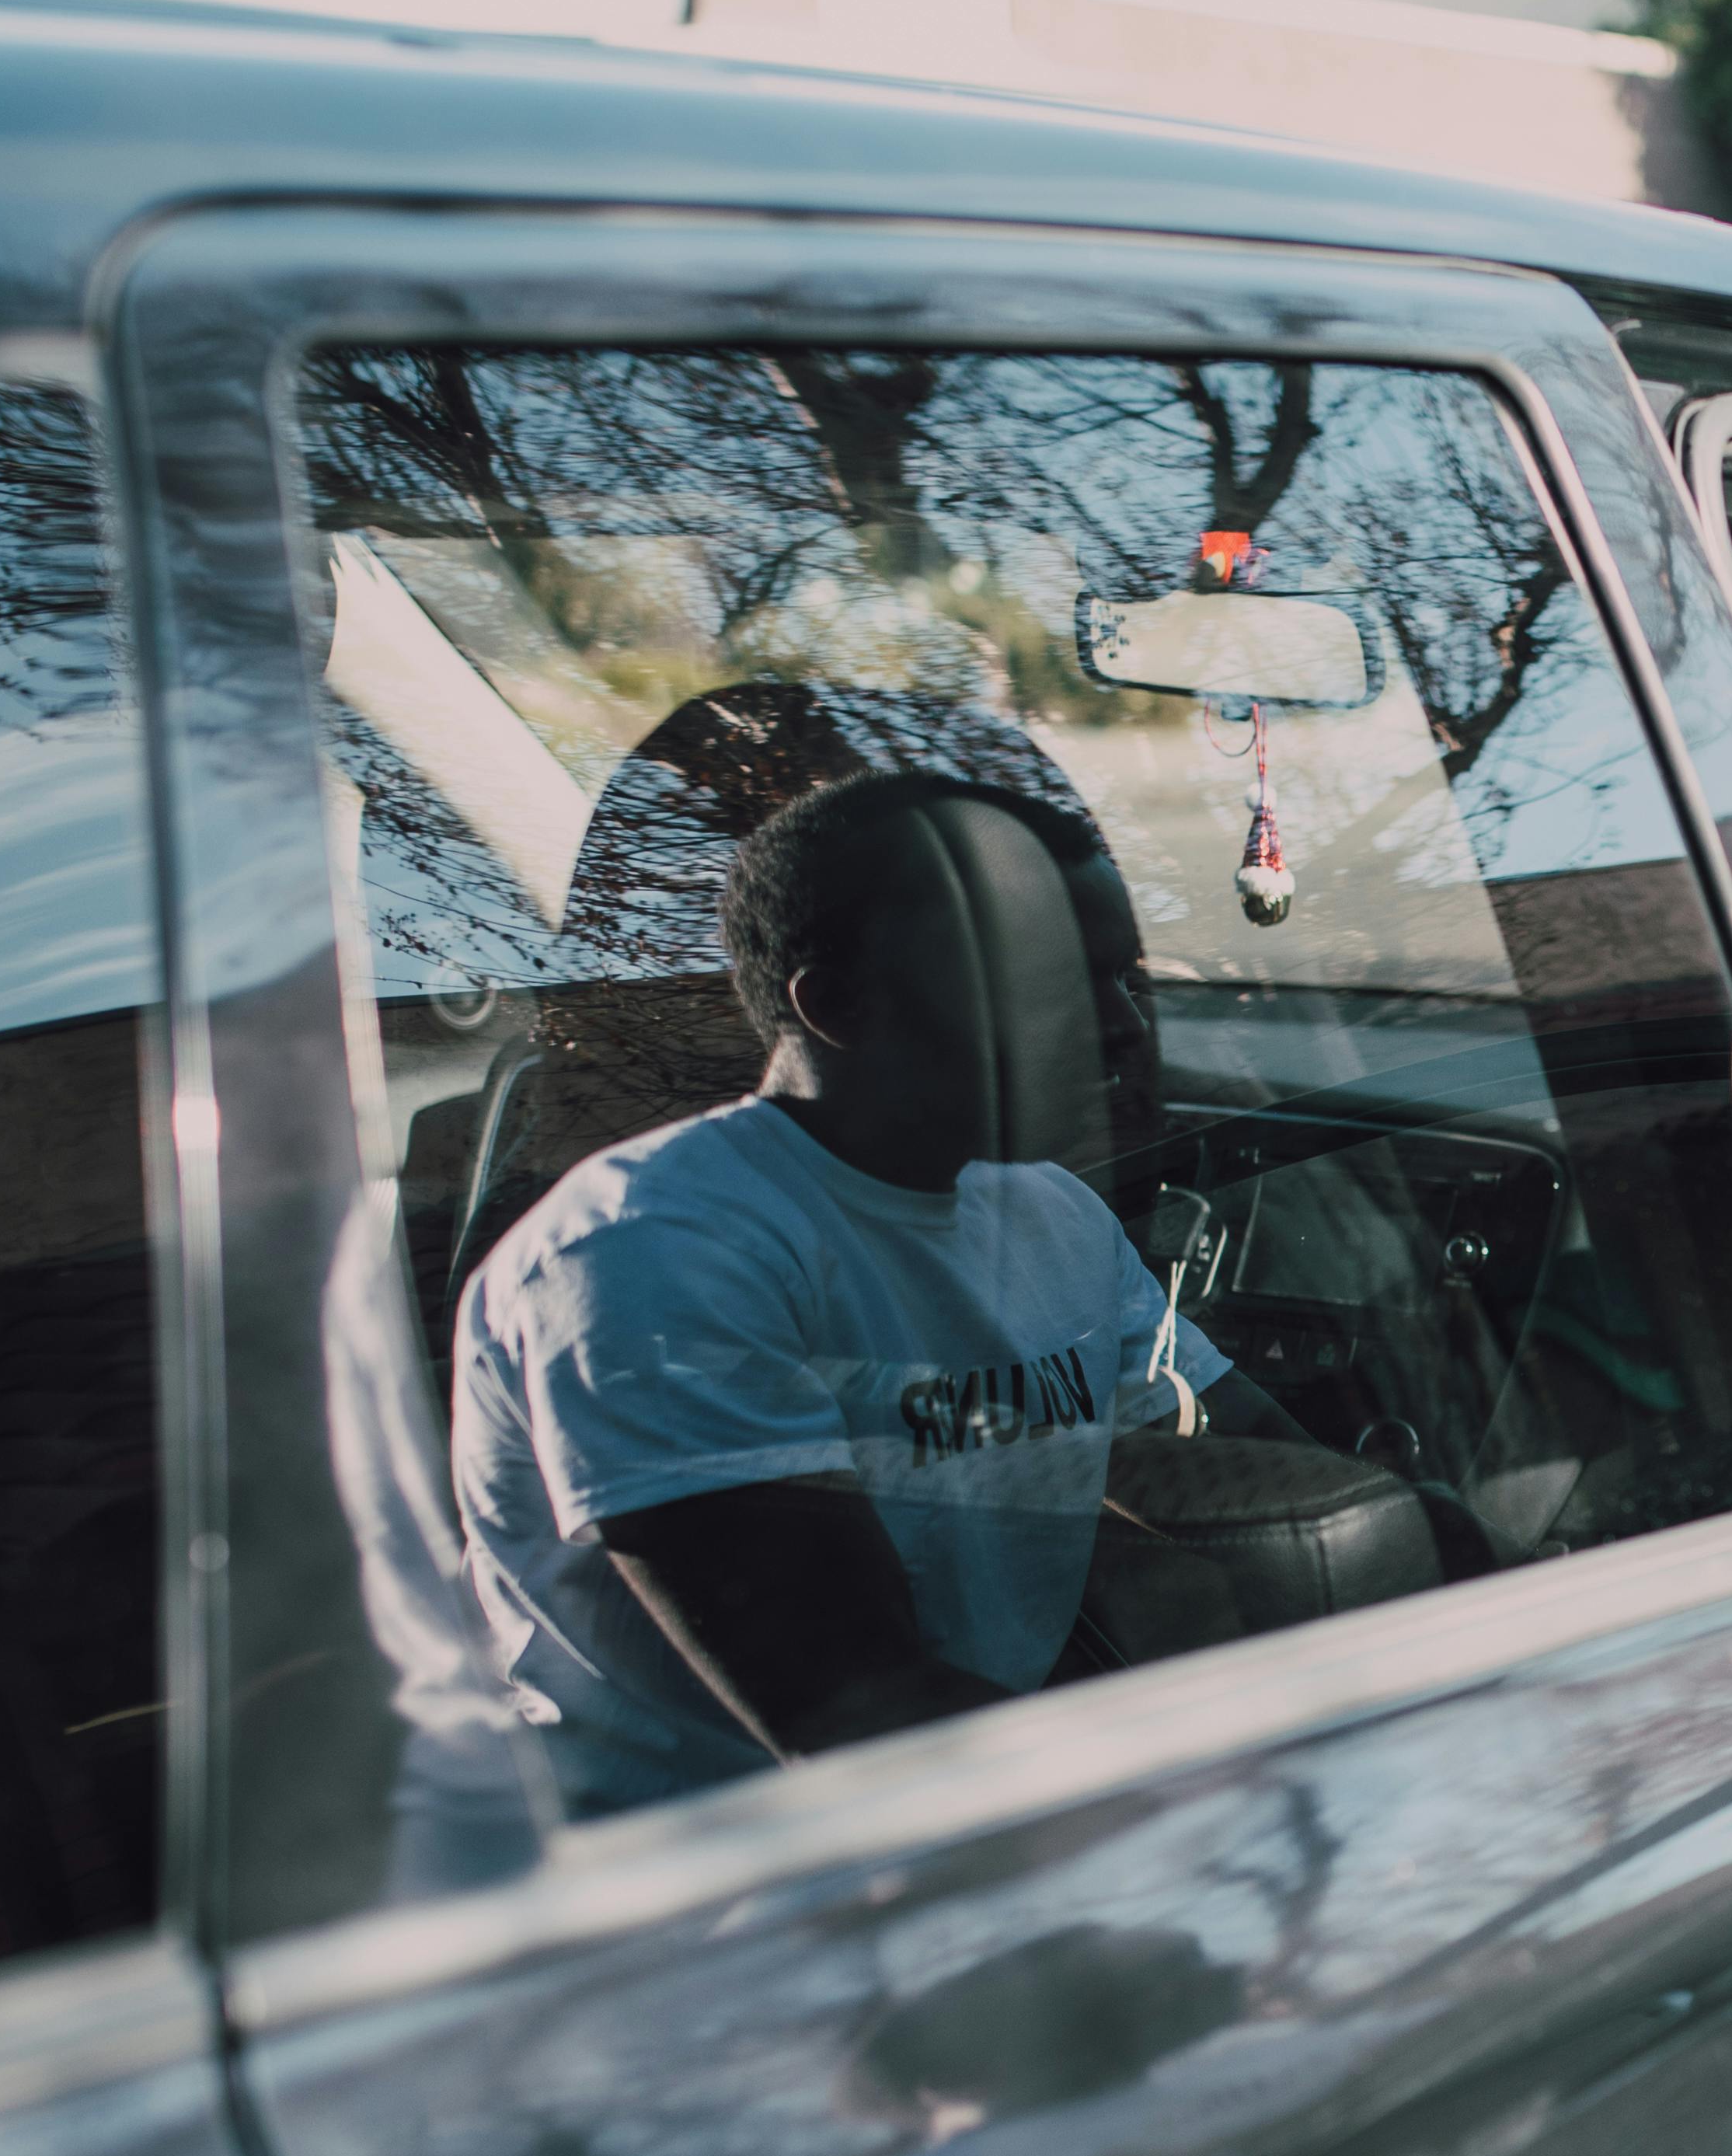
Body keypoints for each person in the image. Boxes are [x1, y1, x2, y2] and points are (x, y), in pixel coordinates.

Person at [452, 767, 1294, 1812]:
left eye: (1128, 980)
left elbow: (1258, 1477)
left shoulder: (1049, 1212)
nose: (1124, 1028)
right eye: (1050, 979)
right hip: (711, 1896)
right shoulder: (648, 1251)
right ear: (837, 1004)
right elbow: (857, 1716)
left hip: (977, 1822)